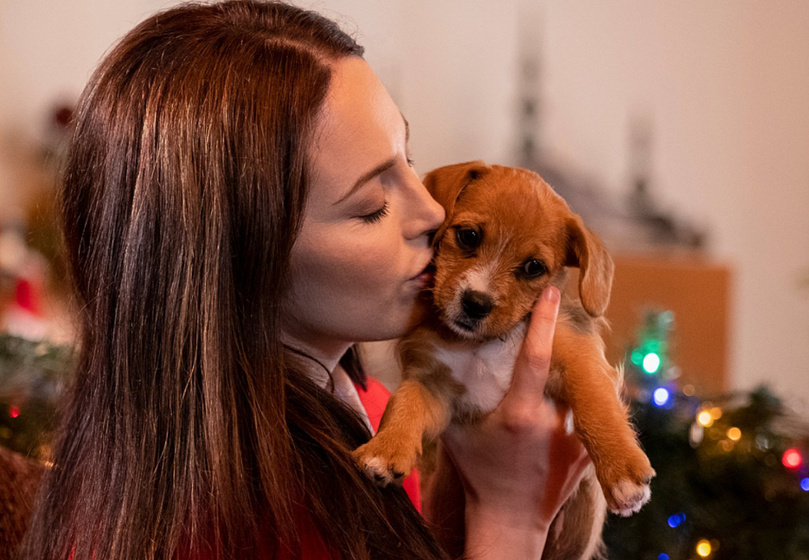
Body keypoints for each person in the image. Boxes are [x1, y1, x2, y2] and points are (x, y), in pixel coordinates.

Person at [19, 2, 590, 559]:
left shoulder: (370, 411)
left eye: (408, 163)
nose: (435, 214)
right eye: (371, 205)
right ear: (242, 261)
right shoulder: (229, 523)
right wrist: (511, 519)